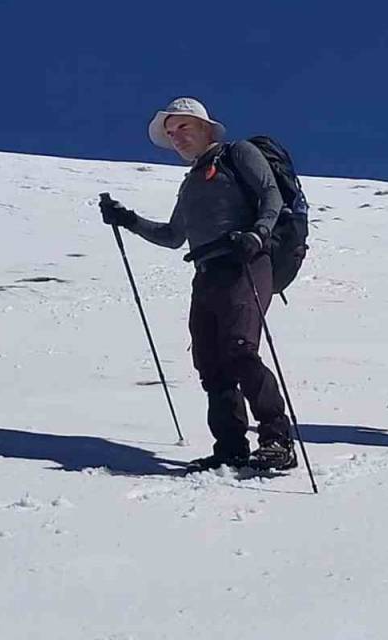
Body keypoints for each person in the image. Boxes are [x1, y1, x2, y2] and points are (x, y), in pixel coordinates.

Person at [99, 97, 297, 471]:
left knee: (240, 349)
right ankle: (230, 447)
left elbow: (270, 194)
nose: (176, 137)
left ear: (206, 127)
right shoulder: (191, 182)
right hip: (206, 271)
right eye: (171, 133)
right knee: (211, 362)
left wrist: (257, 234)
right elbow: (174, 235)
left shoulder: (239, 153)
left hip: (246, 263)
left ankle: (277, 439)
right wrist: (127, 219)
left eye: (183, 127)